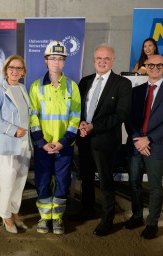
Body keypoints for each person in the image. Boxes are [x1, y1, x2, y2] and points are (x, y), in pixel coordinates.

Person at [69, 44, 132, 237]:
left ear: (113, 61)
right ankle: (87, 209)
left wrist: (93, 126)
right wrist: (80, 123)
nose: (102, 61)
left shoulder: (122, 83)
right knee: (86, 178)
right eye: (99, 58)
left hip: (105, 142)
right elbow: (78, 107)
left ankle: (107, 219)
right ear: (94, 60)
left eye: (106, 58)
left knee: (105, 182)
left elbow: (120, 115)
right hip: (84, 140)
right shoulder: (85, 81)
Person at [125, 54, 163, 239]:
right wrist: (137, 139)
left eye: (160, 65)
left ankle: (152, 223)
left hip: (156, 146)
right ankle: (136, 216)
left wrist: (148, 139)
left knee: (155, 186)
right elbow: (130, 118)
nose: (155, 68)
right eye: (151, 64)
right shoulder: (137, 90)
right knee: (134, 183)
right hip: (136, 145)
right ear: (145, 66)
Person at [29, 41, 81, 235]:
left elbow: (75, 117)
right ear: (46, 60)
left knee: (61, 181)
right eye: (52, 58)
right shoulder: (36, 87)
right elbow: (33, 118)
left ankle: (57, 218)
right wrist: (42, 143)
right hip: (43, 147)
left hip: (64, 146)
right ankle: (44, 218)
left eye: (60, 58)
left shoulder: (72, 87)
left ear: (64, 62)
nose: (56, 62)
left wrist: (62, 142)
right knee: (42, 181)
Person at [0, 55, 32, 234]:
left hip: (24, 144)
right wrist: (13, 130)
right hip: (8, 144)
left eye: (19, 68)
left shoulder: (22, 88)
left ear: (23, 72)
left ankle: (14, 212)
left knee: (20, 182)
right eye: (12, 67)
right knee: (7, 182)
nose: (15, 71)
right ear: (6, 70)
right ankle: (5, 215)